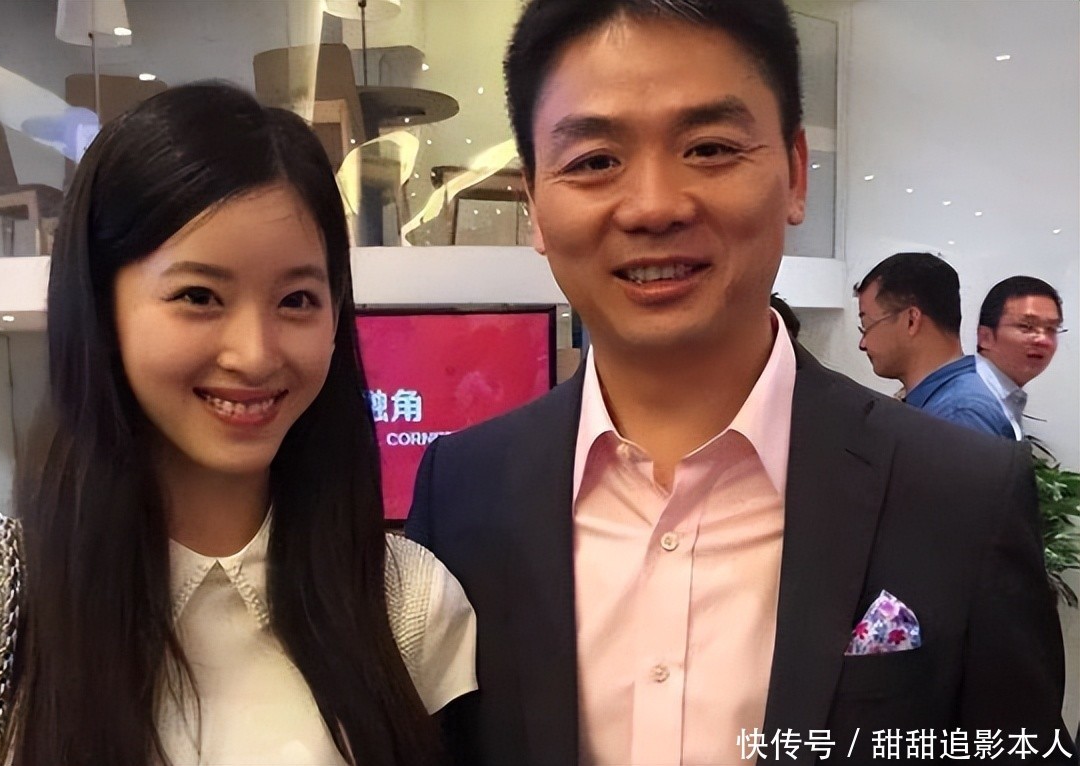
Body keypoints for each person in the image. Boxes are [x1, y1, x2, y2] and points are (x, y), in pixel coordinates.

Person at [405, 1, 1070, 764]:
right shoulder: (466, 493)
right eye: (594, 161)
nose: (654, 206)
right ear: (535, 204)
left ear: (794, 173)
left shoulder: (961, 494)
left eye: (710, 148)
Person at [0, 83, 476, 766]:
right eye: (199, 296)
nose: (255, 354)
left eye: (297, 300)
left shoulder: (410, 604)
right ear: (100, 306)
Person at [854, 251, 1014, 439]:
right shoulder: (948, 401)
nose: (863, 344)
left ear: (911, 321)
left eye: (867, 326)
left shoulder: (958, 415)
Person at [976, 276, 1066, 440]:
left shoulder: (1004, 396)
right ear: (985, 337)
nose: (1043, 340)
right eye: (1027, 326)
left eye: (1051, 329)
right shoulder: (970, 405)